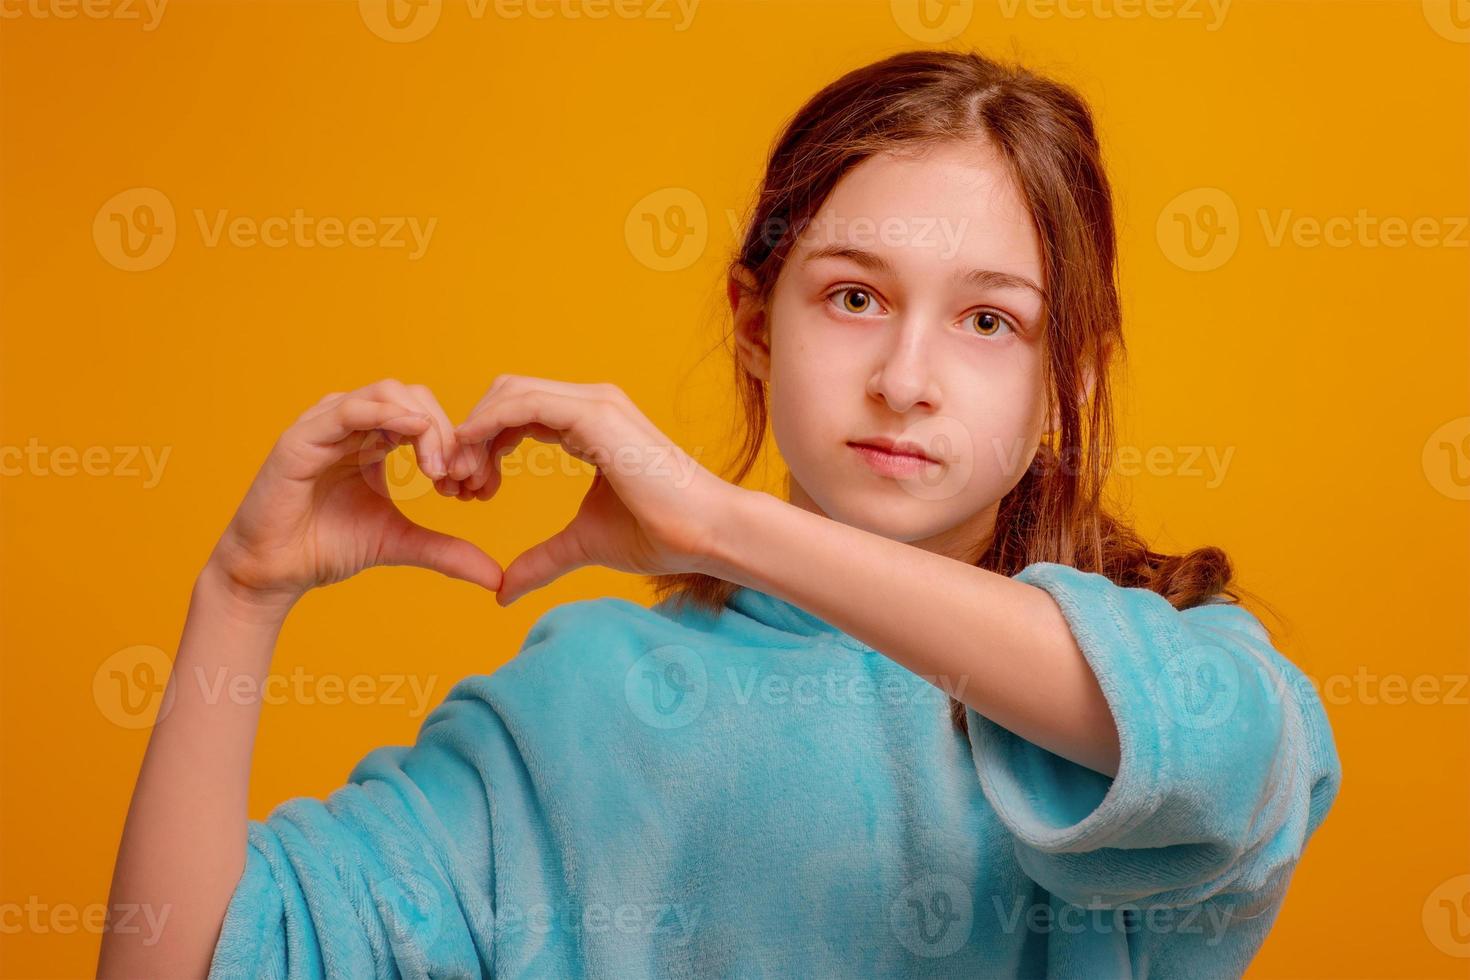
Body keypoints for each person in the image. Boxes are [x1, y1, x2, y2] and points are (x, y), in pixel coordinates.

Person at [98, 48, 1342, 978]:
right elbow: (197, 956)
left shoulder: (1182, 663)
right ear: (757, 327)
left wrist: (724, 523)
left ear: (1064, 379)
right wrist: (238, 595)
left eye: (988, 320)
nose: (907, 377)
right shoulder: (576, 704)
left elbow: (1213, 762)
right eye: (853, 296)